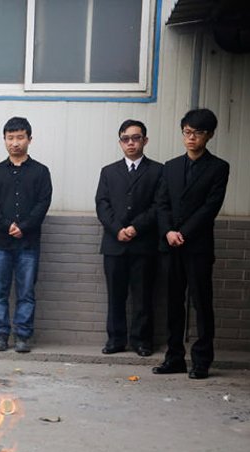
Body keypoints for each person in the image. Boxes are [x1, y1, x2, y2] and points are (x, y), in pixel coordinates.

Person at [154, 108, 229, 379]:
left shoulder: (219, 168)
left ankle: (201, 360)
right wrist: (168, 232)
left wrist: (182, 232)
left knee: (201, 303)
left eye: (197, 133)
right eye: (187, 132)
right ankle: (174, 357)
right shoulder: (171, 166)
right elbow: (161, 204)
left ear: (208, 135)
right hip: (171, 245)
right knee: (174, 303)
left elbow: (210, 207)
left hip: (197, 247)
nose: (191, 138)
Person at [94, 120, 163, 357]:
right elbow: (102, 205)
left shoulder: (157, 171)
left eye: (135, 138)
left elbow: (159, 206)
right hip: (114, 244)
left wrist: (135, 228)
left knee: (143, 296)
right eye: (126, 139)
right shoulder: (108, 171)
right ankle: (115, 340)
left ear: (145, 140)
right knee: (116, 296)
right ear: (120, 142)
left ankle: (142, 341)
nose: (131, 143)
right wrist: (117, 229)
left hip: (144, 244)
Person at [0, 117, 52, 353]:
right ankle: (0, 335)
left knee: (26, 292)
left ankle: (23, 336)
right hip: (0, 243)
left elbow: (43, 204)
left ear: (29, 139)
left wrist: (23, 226)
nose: (15, 142)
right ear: (4, 140)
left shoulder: (41, 172)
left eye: (20, 137)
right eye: (10, 138)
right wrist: (6, 225)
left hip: (29, 243)